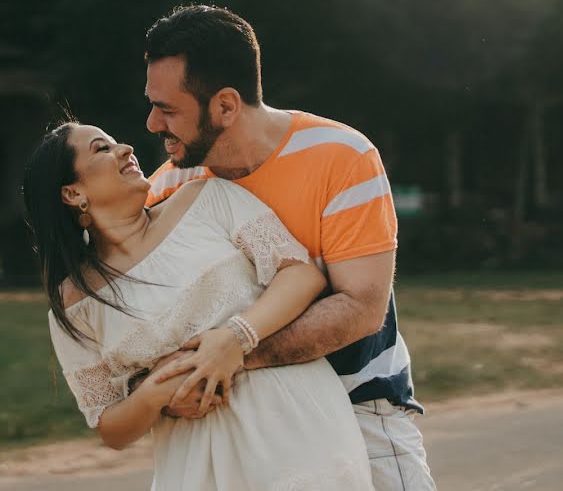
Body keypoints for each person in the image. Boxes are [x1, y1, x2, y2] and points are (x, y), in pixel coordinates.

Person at [139, 4, 436, 490]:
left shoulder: (342, 157)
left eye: (168, 109)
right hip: (240, 419)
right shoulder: (168, 189)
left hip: (358, 400)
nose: (152, 124)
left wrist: (235, 352)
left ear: (226, 106)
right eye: (152, 105)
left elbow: (362, 309)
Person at [23, 121, 374, 490]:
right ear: (72, 193)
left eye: (116, 142)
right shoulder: (75, 304)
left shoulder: (208, 198)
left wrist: (236, 337)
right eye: (101, 149)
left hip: (295, 427)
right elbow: (109, 426)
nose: (125, 149)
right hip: (194, 465)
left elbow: (300, 275)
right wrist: (157, 392)